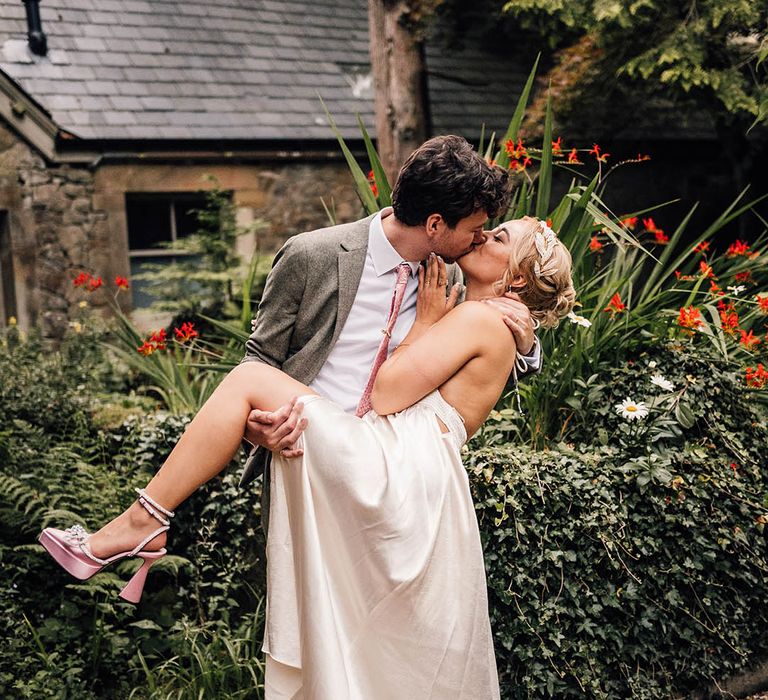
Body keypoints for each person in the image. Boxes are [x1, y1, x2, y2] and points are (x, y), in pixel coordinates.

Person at [37, 215, 576, 699]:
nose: (482, 233)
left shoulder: (475, 318)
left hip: (396, 464)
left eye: (499, 236)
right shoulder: (482, 309)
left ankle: (143, 520)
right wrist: (509, 340)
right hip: (421, 478)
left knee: (247, 379)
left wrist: (425, 324)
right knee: (379, 649)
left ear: (519, 278)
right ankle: (143, 523)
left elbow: (388, 394)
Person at [238, 135, 544, 541]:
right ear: (435, 224)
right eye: (475, 228)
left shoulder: (451, 274)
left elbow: (481, 366)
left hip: (392, 482)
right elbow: (259, 359)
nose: (479, 238)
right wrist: (254, 429)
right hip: (304, 461)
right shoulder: (311, 256)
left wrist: (528, 346)